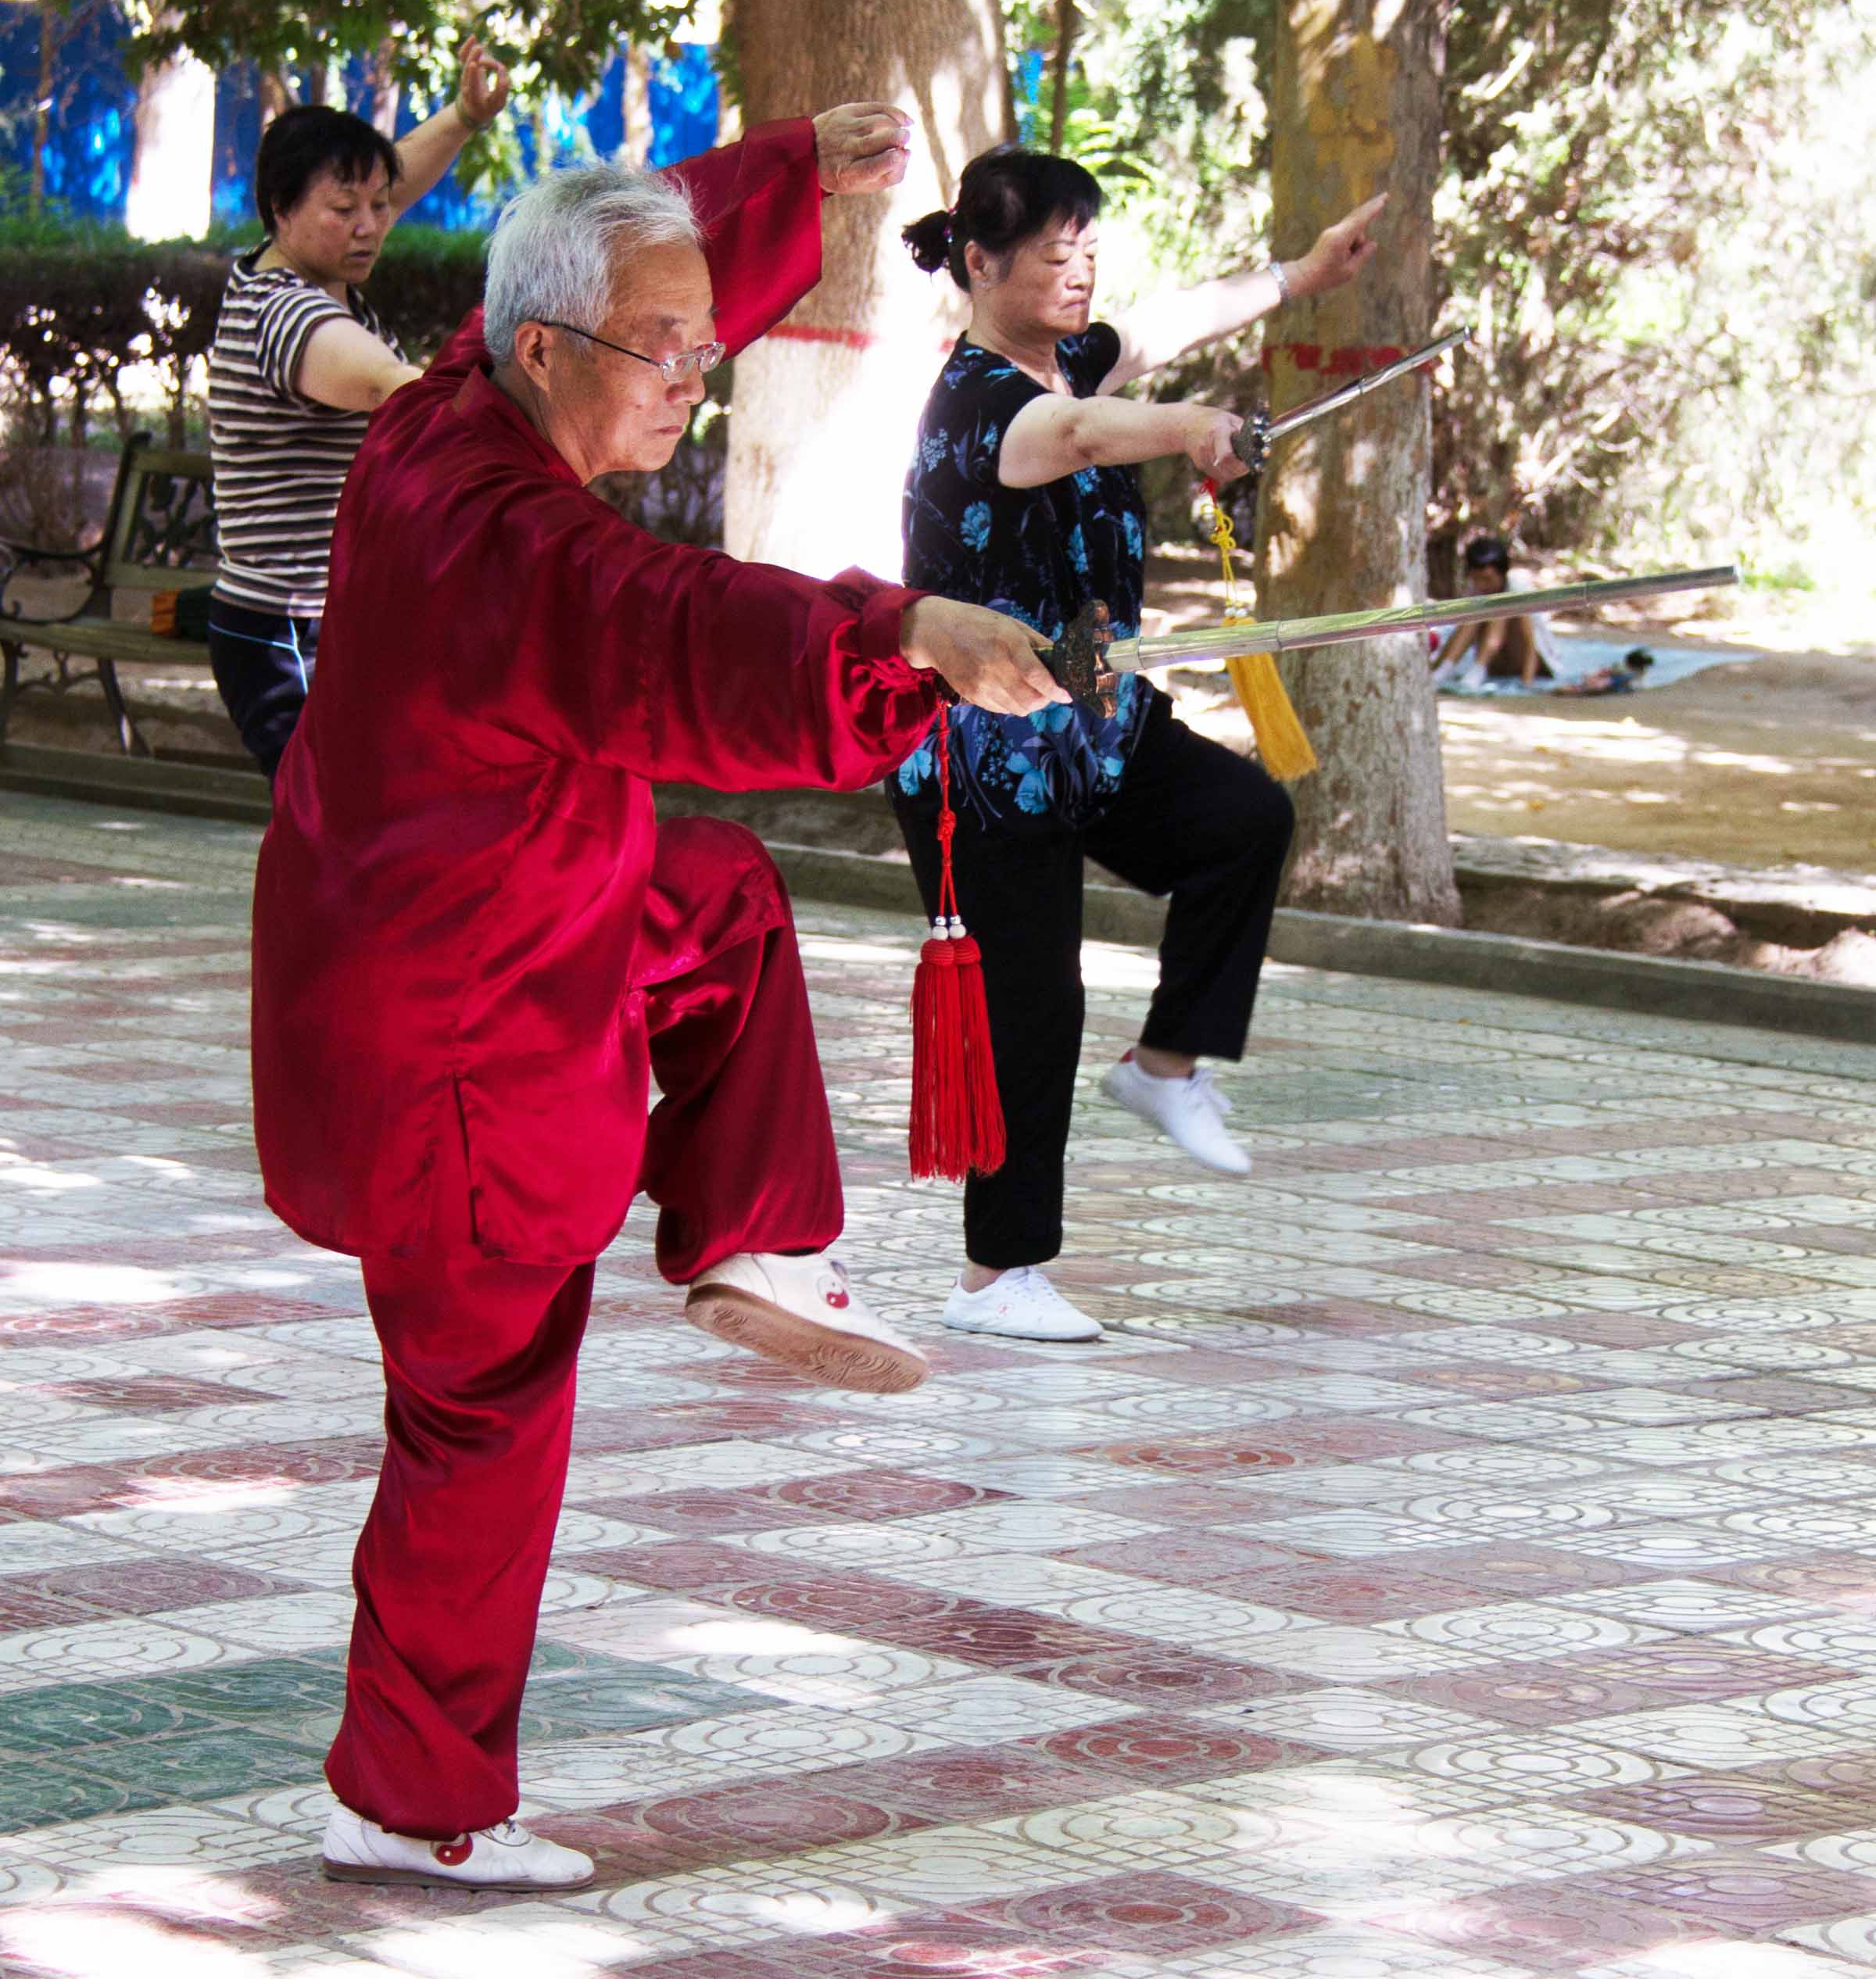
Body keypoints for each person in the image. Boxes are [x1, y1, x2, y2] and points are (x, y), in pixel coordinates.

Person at [252, 129, 1062, 1894]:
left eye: (708, 346)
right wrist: (906, 633)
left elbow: (631, 258)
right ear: (545, 350)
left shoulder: (453, 401)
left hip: (477, 923)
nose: (698, 379)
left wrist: (789, 172)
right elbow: (677, 626)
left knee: (718, 898)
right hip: (451, 1053)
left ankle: (752, 1237)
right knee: (476, 1423)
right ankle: (407, 1807)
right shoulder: (506, 540)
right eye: (667, 354)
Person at [889, 145, 1381, 1345]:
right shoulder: (987, 403)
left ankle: (1165, 1065)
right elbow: (1081, 435)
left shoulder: (1071, 358)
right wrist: (1194, 423)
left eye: (1090, 253)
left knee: (1243, 822)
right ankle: (995, 1278)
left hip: (1092, 721)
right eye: (1056, 254)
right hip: (984, 761)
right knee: (1033, 1004)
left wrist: (1303, 276)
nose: (1081, 274)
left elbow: (1169, 324)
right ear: (979, 263)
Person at [206, 41, 513, 780]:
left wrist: (465, 116)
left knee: (363, 823)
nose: (371, 224)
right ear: (281, 211)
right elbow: (386, 385)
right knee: (341, 819)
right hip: (285, 634)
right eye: (345, 210)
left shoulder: (310, 268)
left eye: (378, 206)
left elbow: (394, 181)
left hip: (333, 620)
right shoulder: (284, 314)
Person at [1434, 531, 1566, 689]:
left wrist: (1527, 683)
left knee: (1501, 608)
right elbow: (1461, 632)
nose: (1482, 584)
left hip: (1533, 664)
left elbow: (1531, 643)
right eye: (1476, 579)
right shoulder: (1475, 590)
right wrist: (1437, 665)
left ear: (1502, 574)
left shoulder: (1517, 588)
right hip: (1500, 663)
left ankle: (1478, 670)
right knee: (1477, 610)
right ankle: (1445, 669)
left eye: (1488, 579)